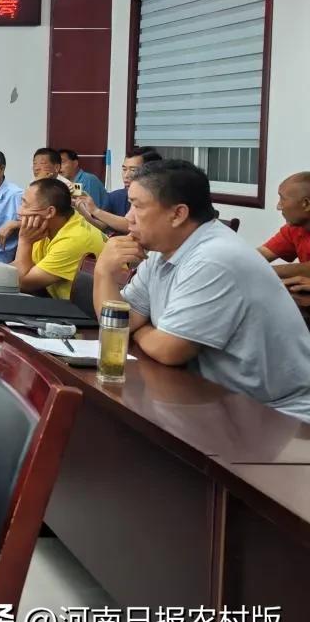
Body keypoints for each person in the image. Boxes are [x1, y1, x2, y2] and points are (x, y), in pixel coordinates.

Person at [93, 160, 310, 421]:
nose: (128, 217)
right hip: (218, 400)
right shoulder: (163, 252)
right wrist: (103, 272)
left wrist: (138, 329)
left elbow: (169, 350)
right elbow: (118, 325)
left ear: (178, 214)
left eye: (137, 206)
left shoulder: (213, 258)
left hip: (278, 416)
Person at [0, 178, 105, 298]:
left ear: (50, 212)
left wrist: (24, 241)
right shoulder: (48, 226)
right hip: (55, 299)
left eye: (25, 204)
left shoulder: (73, 239)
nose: (19, 212)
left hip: (82, 316)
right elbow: (20, 268)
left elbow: (23, 283)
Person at [77, 148, 162, 235]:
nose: (126, 175)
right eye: (124, 169)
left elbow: (131, 225)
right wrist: (83, 212)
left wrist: (96, 210)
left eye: (133, 170)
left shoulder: (159, 200)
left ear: (151, 172)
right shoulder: (115, 197)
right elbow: (102, 226)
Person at [258, 171, 310, 279]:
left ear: (306, 204)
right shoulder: (295, 229)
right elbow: (261, 254)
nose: (278, 206)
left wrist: (262, 271)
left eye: (282, 199)